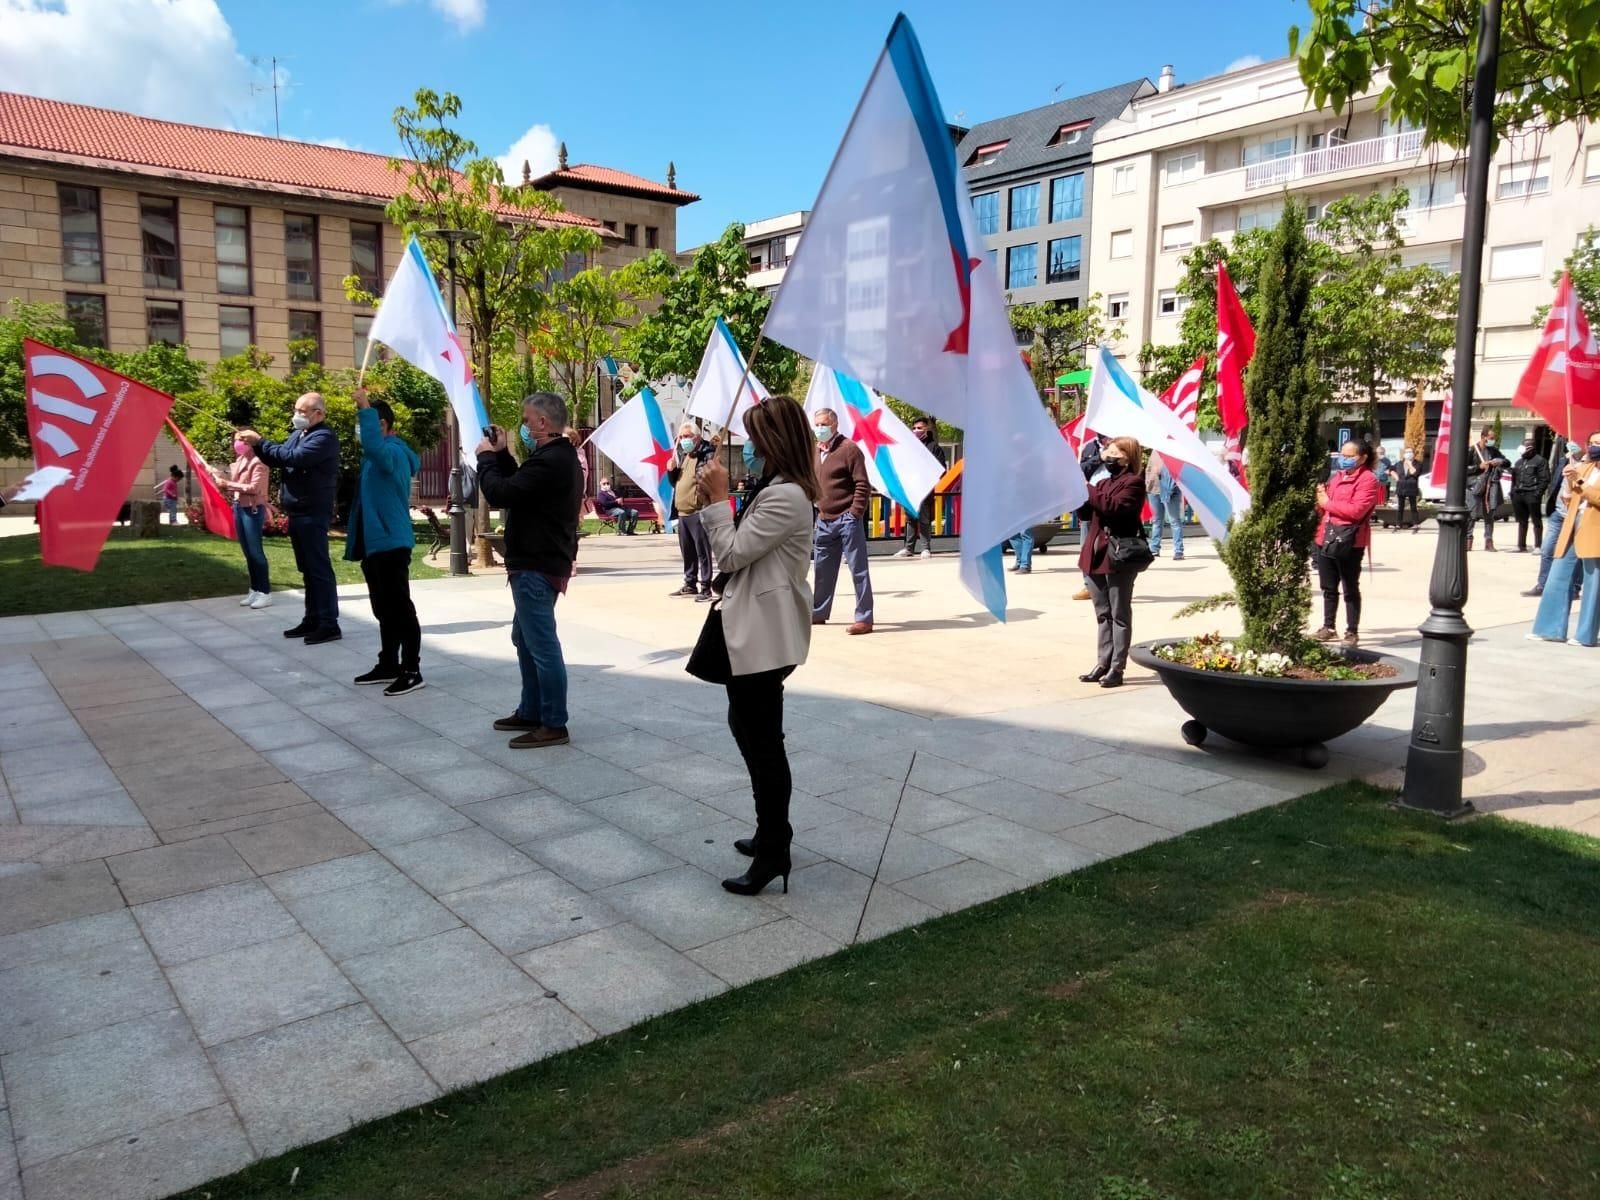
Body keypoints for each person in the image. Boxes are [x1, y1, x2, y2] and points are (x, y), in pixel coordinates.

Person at [694, 395, 819, 897]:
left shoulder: (786, 496)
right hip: (753, 629)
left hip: (764, 635)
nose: (747, 450)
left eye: (754, 440)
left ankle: (774, 851)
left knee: (762, 741)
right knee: (751, 730)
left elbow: (729, 554)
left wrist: (719, 502)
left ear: (774, 443)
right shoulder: (776, 490)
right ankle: (772, 834)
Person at [477, 392, 583, 748]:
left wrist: (487, 460)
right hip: (536, 560)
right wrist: (503, 453)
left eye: (525, 420)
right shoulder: (553, 458)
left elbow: (500, 493)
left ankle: (553, 722)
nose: (523, 425)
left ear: (542, 422)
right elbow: (521, 486)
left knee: (541, 644)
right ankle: (532, 709)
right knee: (524, 638)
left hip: (538, 564)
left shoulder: (553, 460)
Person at [239, 393, 341, 643]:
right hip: (297, 510)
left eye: (303, 411)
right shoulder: (299, 434)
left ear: (319, 413)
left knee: (318, 569)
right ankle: (312, 618)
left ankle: (329, 622)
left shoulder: (324, 437)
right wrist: (257, 445)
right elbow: (279, 456)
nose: (298, 415)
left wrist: (261, 441)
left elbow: (295, 458)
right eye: (296, 409)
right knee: (307, 569)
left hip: (313, 510)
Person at [346, 390, 424, 696]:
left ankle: (412, 669)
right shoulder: (377, 455)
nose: (360, 430)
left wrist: (364, 407)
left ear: (381, 425)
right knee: (383, 608)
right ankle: (389, 662)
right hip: (375, 543)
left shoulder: (391, 452)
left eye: (365, 423)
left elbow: (375, 449)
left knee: (400, 608)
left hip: (392, 542)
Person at [1077, 437, 1147, 688]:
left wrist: (1087, 489)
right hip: (1095, 555)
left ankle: (1117, 667)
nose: (1108, 456)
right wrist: (1078, 495)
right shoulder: (1103, 482)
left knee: (1119, 613)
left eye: (1114, 452)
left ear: (1127, 458)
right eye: (1108, 451)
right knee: (1102, 613)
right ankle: (1102, 662)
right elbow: (1089, 512)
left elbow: (1114, 507)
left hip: (1118, 557)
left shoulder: (1134, 483)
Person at [1530, 432, 1600, 645]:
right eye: (1592, 443)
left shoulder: (1584, 473)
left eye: (1599, 443)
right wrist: (1569, 489)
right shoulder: (1585, 467)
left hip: (1594, 530)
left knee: (1593, 582)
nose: (1594, 446)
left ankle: (1586, 635)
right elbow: (1574, 497)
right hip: (1573, 526)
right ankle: (1550, 628)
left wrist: (1577, 481)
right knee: (1558, 575)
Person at [1313, 437, 1382, 647]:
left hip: (1350, 540)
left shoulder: (1369, 480)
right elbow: (1326, 506)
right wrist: (1320, 500)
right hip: (1326, 536)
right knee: (1328, 586)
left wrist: (1328, 503)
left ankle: (1352, 631)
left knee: (1350, 587)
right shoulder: (1338, 477)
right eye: (1343, 455)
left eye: (1349, 456)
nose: (1344, 460)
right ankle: (1328, 627)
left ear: (1362, 458)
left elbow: (1357, 510)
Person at [810, 407, 874, 634]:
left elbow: (862, 484)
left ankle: (864, 618)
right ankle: (818, 612)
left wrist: (854, 512)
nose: (819, 428)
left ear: (835, 425)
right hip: (824, 519)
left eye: (823, 424)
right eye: (816, 424)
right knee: (822, 569)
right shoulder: (815, 450)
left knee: (858, 569)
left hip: (847, 518)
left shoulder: (849, 449)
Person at [216, 435, 271, 609]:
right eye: (236, 440)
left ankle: (265, 592)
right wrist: (220, 476)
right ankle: (254, 589)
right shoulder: (240, 460)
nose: (237, 444)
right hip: (239, 507)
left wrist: (228, 484)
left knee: (256, 551)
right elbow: (236, 481)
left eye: (242, 440)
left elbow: (255, 488)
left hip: (252, 509)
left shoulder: (259, 462)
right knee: (247, 552)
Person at [1528, 441, 1585, 597]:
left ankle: (1574, 588)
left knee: (1577, 553)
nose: (1573, 445)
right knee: (1547, 549)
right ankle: (1543, 585)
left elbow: (1584, 485)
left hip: (1578, 514)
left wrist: (1577, 475)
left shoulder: (1591, 464)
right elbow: (1556, 483)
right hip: (1559, 513)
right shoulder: (1564, 459)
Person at [667, 421, 716, 601]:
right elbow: (677, 482)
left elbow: (705, 478)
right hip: (682, 512)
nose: (683, 440)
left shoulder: (706, 453)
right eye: (681, 437)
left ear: (696, 437)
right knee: (687, 551)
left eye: (687, 437)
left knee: (702, 551)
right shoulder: (684, 455)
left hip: (698, 510)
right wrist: (671, 471)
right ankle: (690, 583)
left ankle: (706, 586)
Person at [895, 415, 944, 558]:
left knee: (923, 518)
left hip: (925, 488)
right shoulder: (909, 446)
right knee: (910, 518)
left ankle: (925, 548)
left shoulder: (933, 447)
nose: (916, 430)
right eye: (914, 428)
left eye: (919, 428)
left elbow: (940, 469)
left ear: (926, 429)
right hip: (910, 488)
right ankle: (908, 548)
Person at [1073, 433, 1110, 601]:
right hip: (1089, 504)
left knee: (1109, 546)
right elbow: (1081, 469)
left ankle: (1111, 584)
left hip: (1110, 504)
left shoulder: (1121, 445)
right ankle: (1089, 585)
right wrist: (1100, 458)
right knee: (1086, 546)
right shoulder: (1089, 447)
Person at [1465, 424, 1509, 551]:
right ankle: (1468, 539)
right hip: (1475, 485)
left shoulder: (1493, 451)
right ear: (1483, 437)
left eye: (1493, 438)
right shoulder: (1472, 450)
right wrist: (1478, 467)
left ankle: (1488, 541)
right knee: (1471, 513)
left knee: (1490, 513)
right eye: (1490, 437)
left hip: (1490, 485)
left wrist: (1500, 461)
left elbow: (1507, 462)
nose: (1492, 440)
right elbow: (1462, 468)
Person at [1509, 438, 1551, 553]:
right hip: (1518, 494)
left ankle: (1538, 545)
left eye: (1524, 446)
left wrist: (1538, 493)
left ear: (1530, 448)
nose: (1521, 448)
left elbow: (1545, 479)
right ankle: (1521, 545)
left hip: (1532, 493)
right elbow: (1514, 479)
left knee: (1536, 520)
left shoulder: (1540, 461)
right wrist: (1512, 492)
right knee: (1521, 521)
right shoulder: (1518, 462)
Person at [1145, 456, 1184, 560]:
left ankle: (1178, 550)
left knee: (1174, 521)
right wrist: (1148, 484)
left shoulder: (1172, 452)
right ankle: (1154, 548)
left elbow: (1179, 470)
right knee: (1156, 521)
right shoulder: (1155, 451)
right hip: (1154, 490)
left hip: (1170, 491)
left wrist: (1162, 471)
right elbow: (1148, 469)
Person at [1391, 447, 1424, 531]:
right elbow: (1390, 470)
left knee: (1413, 506)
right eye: (1406, 452)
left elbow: (1414, 473)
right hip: (1401, 486)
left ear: (1413, 453)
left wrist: (1409, 464)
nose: (1408, 453)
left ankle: (1415, 524)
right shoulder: (1399, 463)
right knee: (1400, 506)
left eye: (1410, 452)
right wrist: (1396, 477)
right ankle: (1398, 524)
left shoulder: (1417, 464)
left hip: (1411, 487)